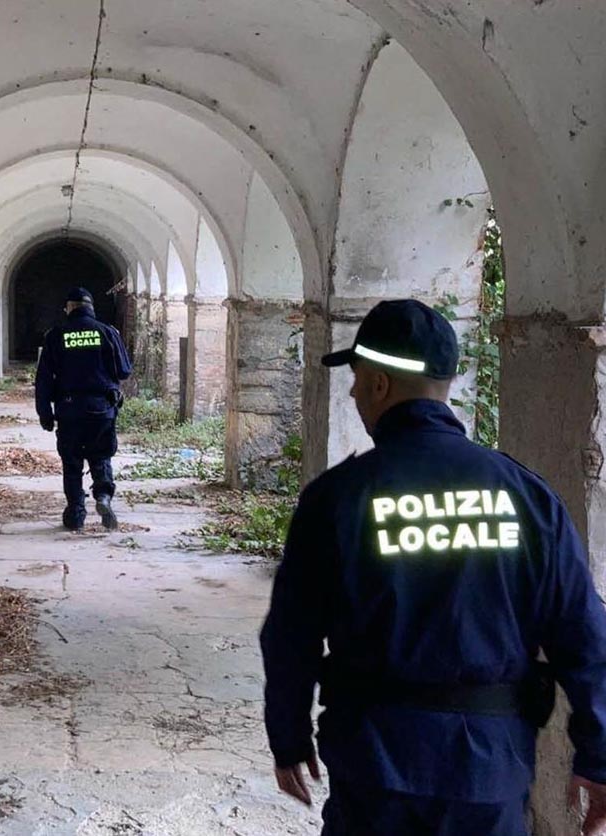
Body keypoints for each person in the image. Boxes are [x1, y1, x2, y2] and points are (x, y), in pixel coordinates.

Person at [259, 299, 606, 835]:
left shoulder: (339, 498)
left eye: (355, 380)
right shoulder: (526, 496)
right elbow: (583, 632)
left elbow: (291, 635)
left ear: (379, 385)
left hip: (376, 763)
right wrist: (598, 754)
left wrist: (288, 735)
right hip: (488, 767)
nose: (351, 394)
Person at [35, 286, 132, 531]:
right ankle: (103, 496)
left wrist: (44, 412)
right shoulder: (108, 332)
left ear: (69, 308)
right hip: (102, 408)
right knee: (101, 456)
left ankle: (76, 513)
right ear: (91, 307)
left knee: (72, 462)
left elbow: (44, 379)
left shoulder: (56, 335)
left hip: (69, 409)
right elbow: (124, 370)